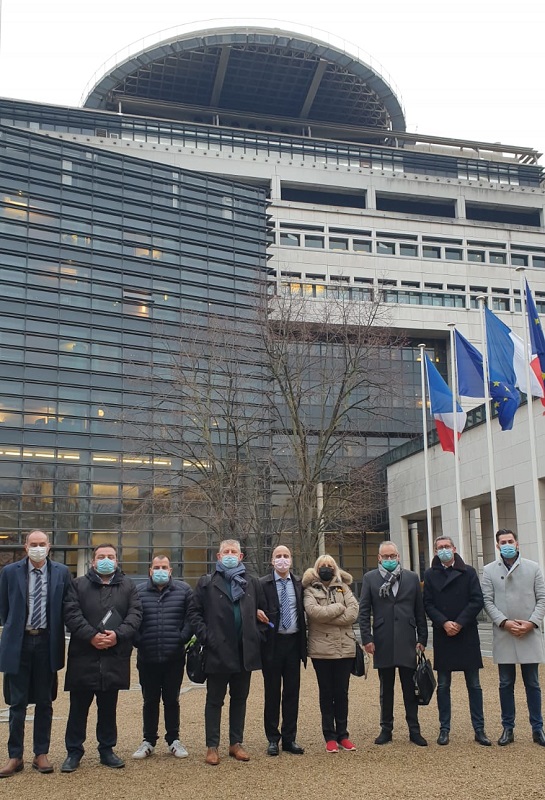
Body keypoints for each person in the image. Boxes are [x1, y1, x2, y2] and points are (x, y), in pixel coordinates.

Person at [61, 543, 143, 772]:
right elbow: (71, 613)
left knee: (108, 707)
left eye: (110, 556)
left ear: (116, 561)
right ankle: (73, 752)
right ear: (93, 561)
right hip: (84, 656)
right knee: (78, 708)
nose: (106, 560)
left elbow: (136, 614)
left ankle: (107, 750)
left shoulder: (128, 586)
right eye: (101, 556)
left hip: (113, 656)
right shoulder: (77, 585)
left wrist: (117, 635)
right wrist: (92, 636)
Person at [188, 539, 267, 765]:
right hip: (218, 651)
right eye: (226, 552)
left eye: (234, 552)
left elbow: (263, 613)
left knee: (239, 698)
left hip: (244, 652)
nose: (230, 555)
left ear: (241, 557)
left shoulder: (251, 583)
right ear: (218, 556)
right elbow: (194, 613)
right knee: (214, 700)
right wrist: (207, 637)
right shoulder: (206, 583)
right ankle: (212, 746)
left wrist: (257, 636)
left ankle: (236, 743)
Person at [0, 530, 71, 777]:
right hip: (18, 644)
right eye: (34, 544)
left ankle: (41, 753)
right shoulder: (9, 572)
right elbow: (4, 609)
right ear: (26, 546)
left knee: (44, 701)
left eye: (42, 544)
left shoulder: (61, 572)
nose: (38, 548)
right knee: (17, 702)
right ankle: (14, 756)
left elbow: (66, 605)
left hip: (46, 643)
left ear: (49, 546)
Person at [423, 536, 491, 746]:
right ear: (435, 551)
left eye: (446, 547)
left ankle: (479, 729)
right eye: (439, 548)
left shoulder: (468, 572)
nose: (443, 550)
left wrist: (459, 623)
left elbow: (476, 600)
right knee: (443, 685)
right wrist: (444, 623)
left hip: (466, 633)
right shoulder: (430, 574)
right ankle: (444, 729)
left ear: (454, 548)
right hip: (444, 634)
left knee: (474, 685)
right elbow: (428, 603)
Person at [359, 540, 428, 746]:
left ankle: (414, 730)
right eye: (385, 556)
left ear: (398, 556)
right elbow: (364, 612)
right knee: (385, 688)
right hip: (382, 639)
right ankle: (386, 729)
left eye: (393, 556)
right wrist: (367, 639)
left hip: (407, 639)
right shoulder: (370, 578)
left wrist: (422, 638)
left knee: (410, 688)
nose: (389, 559)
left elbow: (419, 610)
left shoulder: (412, 578)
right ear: (379, 558)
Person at [482, 528, 545, 746]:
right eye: (503, 541)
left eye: (510, 540)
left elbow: (542, 598)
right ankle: (508, 728)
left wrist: (531, 622)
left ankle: (538, 728)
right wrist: (505, 622)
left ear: (517, 543)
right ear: (498, 546)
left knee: (533, 683)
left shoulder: (533, 568)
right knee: (505, 683)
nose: (507, 544)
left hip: (529, 631)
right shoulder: (489, 570)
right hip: (505, 632)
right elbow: (487, 601)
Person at [132, 555, 193, 760]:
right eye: (156, 567)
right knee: (149, 700)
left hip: (174, 657)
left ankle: (173, 740)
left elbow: (191, 617)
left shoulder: (184, 591)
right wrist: (139, 641)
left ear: (170, 570)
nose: (160, 570)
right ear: (150, 571)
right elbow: (131, 619)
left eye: (164, 567)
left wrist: (181, 638)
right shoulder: (138, 592)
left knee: (171, 700)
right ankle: (148, 740)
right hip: (147, 657)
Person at [302, 554, 359, 753]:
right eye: (322, 565)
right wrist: (338, 607)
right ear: (317, 569)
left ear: (335, 568)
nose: (326, 568)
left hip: (345, 650)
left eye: (330, 565)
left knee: (342, 693)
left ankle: (343, 734)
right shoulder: (310, 590)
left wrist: (329, 614)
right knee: (326, 693)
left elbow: (353, 613)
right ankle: (329, 736)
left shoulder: (344, 587)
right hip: (321, 651)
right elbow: (314, 613)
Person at [260, 545, 307, 756]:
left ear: (291, 559)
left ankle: (290, 738)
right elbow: (254, 609)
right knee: (272, 693)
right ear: (272, 561)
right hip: (272, 644)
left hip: (294, 644)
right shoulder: (262, 584)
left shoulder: (299, 583)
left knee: (291, 693)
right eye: (278, 556)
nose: (282, 559)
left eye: (286, 556)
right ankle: (272, 738)